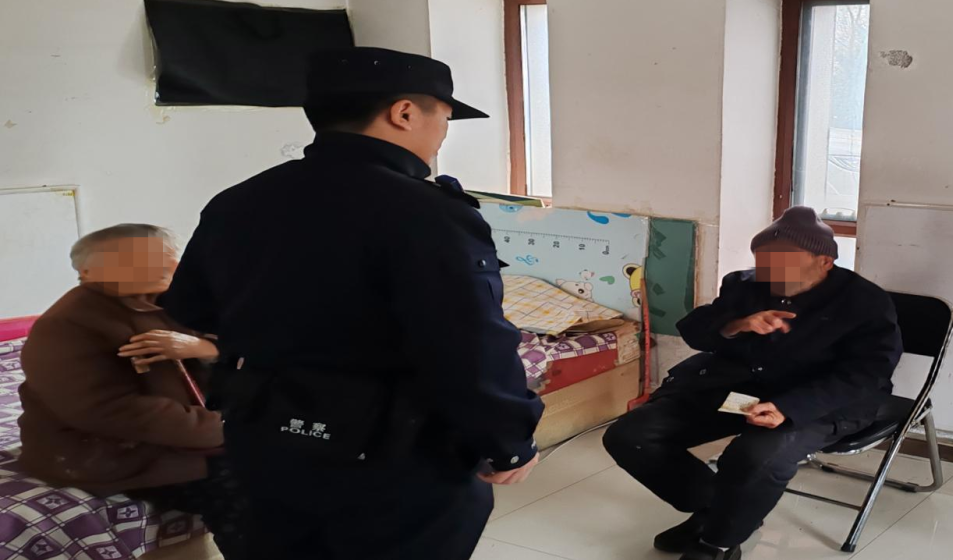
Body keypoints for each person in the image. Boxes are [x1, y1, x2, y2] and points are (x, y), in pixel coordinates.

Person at [160, 47, 544, 560]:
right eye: (444, 118)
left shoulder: (238, 201)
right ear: (404, 113)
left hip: (265, 435)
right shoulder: (426, 213)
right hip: (393, 456)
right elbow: (470, 345)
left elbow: (193, 310)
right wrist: (509, 441)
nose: (442, 134)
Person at [602, 207, 903, 560]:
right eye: (765, 261)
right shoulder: (745, 285)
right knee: (631, 435)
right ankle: (716, 510)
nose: (772, 271)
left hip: (820, 401)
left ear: (824, 261)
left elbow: (868, 374)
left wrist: (788, 408)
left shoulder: (864, 302)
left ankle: (718, 543)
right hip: (743, 387)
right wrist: (737, 324)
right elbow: (694, 331)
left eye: (785, 261)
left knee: (756, 456)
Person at [18, 224, 246, 560]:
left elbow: (243, 346)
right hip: (113, 451)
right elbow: (108, 410)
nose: (168, 266)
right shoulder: (67, 324)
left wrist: (203, 348)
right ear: (87, 271)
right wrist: (226, 429)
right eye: (142, 259)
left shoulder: (177, 302)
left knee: (295, 463)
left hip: (194, 430)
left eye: (170, 257)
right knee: (247, 488)